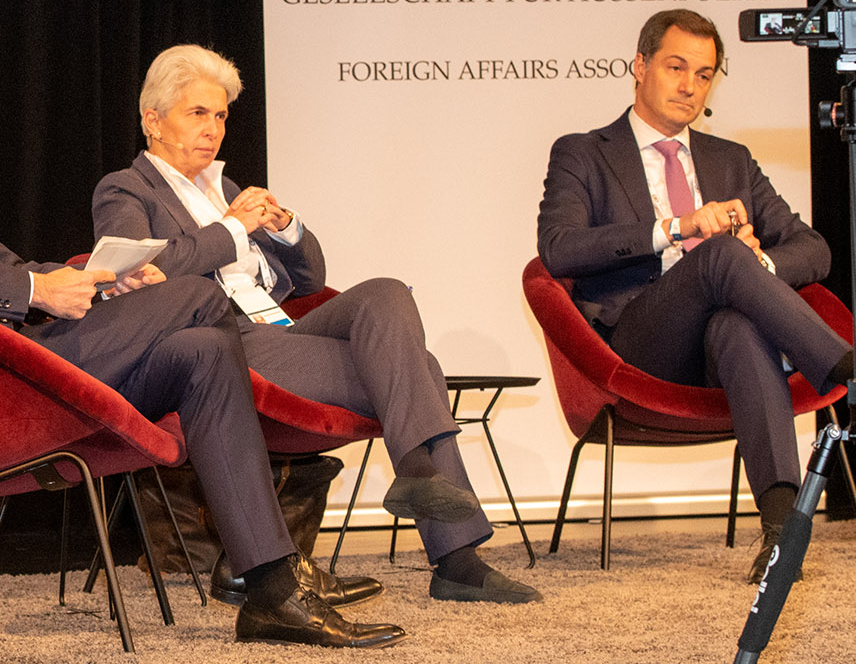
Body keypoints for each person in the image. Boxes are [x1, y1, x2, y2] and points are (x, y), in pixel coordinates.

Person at [0, 0, 406, 648]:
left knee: (203, 350)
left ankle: (268, 585)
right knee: (197, 295)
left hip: (19, 356)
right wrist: (38, 288)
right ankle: (260, 566)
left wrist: (94, 280)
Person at [94, 44, 539, 605]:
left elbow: (309, 281)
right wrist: (231, 230)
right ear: (153, 121)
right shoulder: (126, 189)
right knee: (421, 367)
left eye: (222, 115)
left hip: (280, 331)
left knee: (385, 292)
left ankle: (422, 481)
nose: (214, 129)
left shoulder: (225, 190)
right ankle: (453, 549)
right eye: (198, 113)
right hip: (222, 347)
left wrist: (285, 228)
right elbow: (138, 273)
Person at [538, 8, 855, 583]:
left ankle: (781, 535)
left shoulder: (730, 160)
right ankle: (841, 367)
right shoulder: (584, 152)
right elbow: (559, 250)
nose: (690, 85)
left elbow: (813, 250)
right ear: (640, 66)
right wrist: (676, 228)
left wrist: (757, 262)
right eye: (676, 67)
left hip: (718, 351)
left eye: (704, 74)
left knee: (737, 322)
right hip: (639, 347)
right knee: (720, 252)